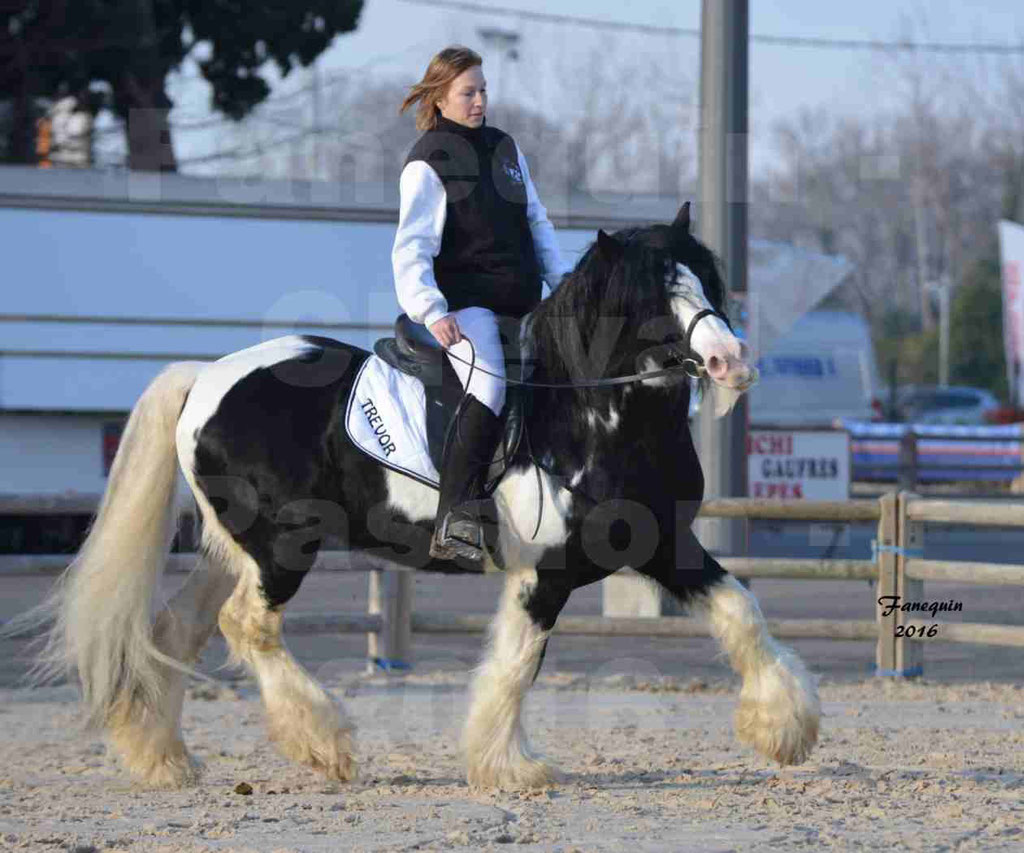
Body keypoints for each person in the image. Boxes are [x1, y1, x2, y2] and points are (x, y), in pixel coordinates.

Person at [392, 45, 569, 561]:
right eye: (467, 92)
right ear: (441, 99)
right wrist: (430, 309)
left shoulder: (505, 148)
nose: (478, 100)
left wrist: (565, 285)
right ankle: (454, 515)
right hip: (468, 309)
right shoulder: (428, 160)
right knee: (489, 386)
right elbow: (412, 245)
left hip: (525, 305)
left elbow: (537, 221)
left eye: (483, 90)